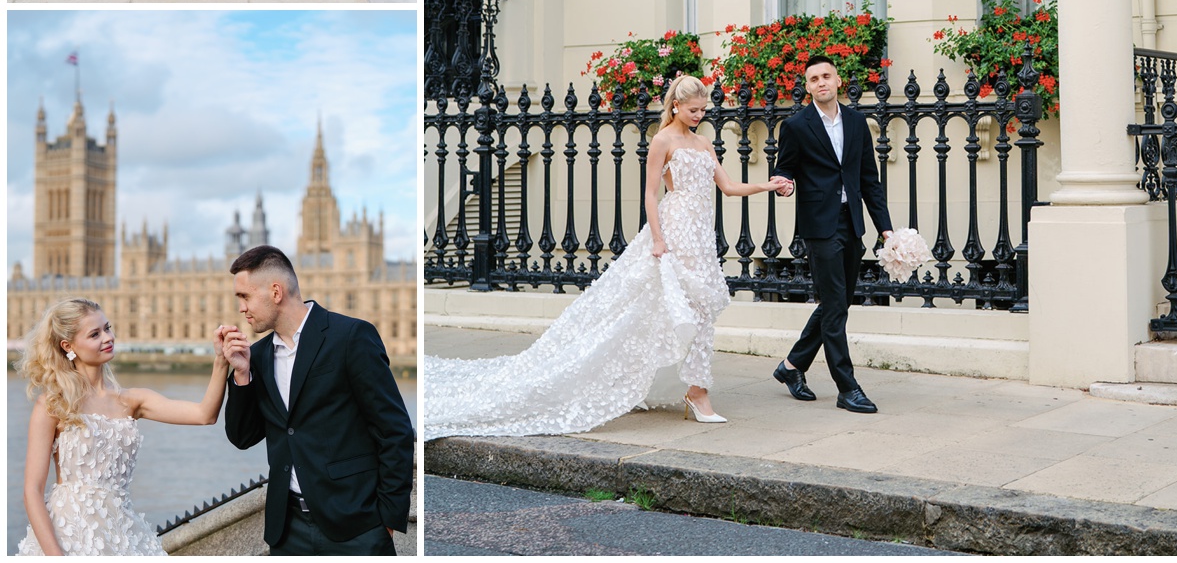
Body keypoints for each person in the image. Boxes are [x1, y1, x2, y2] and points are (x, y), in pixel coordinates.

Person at [421, 75, 789, 437]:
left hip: (701, 238)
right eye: (693, 109)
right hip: (674, 232)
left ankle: (694, 390)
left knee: (703, 310)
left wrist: (767, 185)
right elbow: (649, 194)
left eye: (703, 109)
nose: (699, 114)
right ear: (676, 105)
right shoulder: (662, 140)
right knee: (648, 308)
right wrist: (658, 239)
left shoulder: (706, 143)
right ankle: (694, 392)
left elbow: (728, 186)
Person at [221, 246, 414, 555]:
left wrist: (387, 519)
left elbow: (395, 430)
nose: (241, 308)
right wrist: (242, 376)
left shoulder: (350, 337)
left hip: (356, 527)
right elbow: (243, 437)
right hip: (288, 531)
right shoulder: (256, 356)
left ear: (275, 291)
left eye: (244, 296)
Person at [17, 298, 238, 556]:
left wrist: (221, 361)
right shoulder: (54, 404)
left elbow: (204, 414)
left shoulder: (132, 400)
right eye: (95, 334)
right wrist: (57, 557)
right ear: (68, 346)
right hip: (69, 535)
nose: (108, 337)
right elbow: (32, 490)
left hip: (122, 531)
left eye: (107, 328)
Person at [770, 54, 894, 414]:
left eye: (826, 76)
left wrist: (885, 229)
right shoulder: (795, 126)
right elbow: (785, 168)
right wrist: (785, 186)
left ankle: (792, 367)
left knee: (835, 303)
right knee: (837, 306)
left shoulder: (857, 122)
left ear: (838, 81)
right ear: (807, 87)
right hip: (819, 225)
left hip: (851, 221)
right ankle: (847, 386)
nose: (821, 82)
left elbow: (869, 180)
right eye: (814, 79)